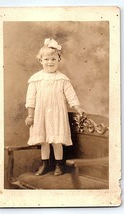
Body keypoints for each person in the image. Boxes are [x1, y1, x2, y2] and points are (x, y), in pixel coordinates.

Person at [25, 38, 85, 176]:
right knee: (44, 141)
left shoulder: (62, 79)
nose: (50, 62)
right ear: (40, 61)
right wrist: (30, 115)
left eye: (53, 59)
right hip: (41, 114)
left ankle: (59, 165)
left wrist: (78, 108)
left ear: (59, 59)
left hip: (57, 113)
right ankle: (45, 164)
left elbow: (71, 96)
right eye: (46, 59)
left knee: (57, 140)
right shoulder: (36, 79)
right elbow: (30, 99)